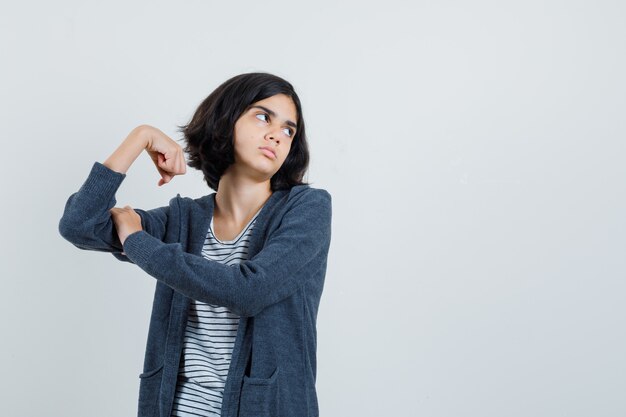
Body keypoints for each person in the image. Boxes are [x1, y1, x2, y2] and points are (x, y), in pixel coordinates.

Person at [58, 72, 332, 417]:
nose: (277, 135)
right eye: (263, 116)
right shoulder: (183, 219)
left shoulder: (306, 209)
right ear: (226, 120)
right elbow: (78, 225)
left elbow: (249, 291)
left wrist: (138, 242)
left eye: (289, 130)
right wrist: (138, 138)